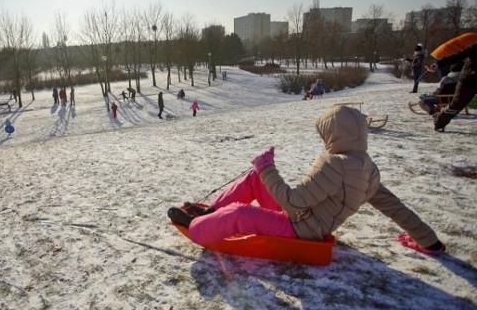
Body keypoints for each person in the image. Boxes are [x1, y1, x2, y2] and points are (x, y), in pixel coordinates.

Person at [168, 105, 445, 256]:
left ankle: (196, 227)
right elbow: (394, 207)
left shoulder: (335, 162)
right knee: (255, 179)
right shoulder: (367, 168)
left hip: (300, 227)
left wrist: (267, 167)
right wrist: (428, 241)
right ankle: (211, 212)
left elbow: (293, 201)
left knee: (242, 213)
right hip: (302, 216)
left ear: (334, 134)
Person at [428, 32, 477, 131]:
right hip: (469, 80)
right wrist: (438, 64)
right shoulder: (475, 47)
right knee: (457, 104)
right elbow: (458, 56)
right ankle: (439, 120)